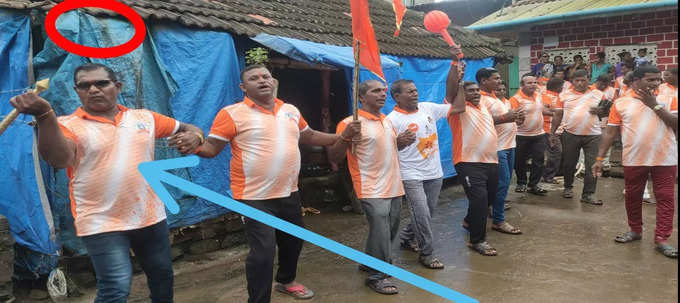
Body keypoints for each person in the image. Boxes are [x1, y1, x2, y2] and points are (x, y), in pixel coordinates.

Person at [9, 63, 206, 302]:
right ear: (76, 90)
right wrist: (44, 115)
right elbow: (59, 160)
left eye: (101, 83)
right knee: (116, 287)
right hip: (101, 220)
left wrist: (195, 136)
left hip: (150, 215)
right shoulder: (67, 125)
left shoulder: (143, 118)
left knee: (162, 275)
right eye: (85, 85)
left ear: (117, 86)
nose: (93, 89)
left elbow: (189, 127)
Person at [197, 64, 354, 302]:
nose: (262, 80)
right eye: (254, 78)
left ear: (274, 82)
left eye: (266, 76)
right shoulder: (231, 113)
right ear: (243, 87)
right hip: (253, 196)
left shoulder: (289, 110)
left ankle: (286, 281)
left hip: (289, 190)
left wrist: (342, 137)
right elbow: (211, 148)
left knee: (293, 241)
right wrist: (195, 146)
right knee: (263, 252)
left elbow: (309, 135)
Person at [328, 78, 417, 295]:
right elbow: (334, 157)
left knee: (390, 230)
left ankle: (369, 261)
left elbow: (387, 148)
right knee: (381, 230)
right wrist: (345, 136)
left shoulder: (386, 120)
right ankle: (377, 276)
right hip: (370, 186)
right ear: (361, 97)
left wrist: (401, 142)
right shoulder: (350, 123)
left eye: (383, 91)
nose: (382, 94)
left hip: (394, 184)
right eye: (376, 91)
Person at [386, 46, 462, 270]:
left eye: (415, 89)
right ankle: (427, 253)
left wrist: (456, 70)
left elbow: (457, 106)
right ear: (396, 96)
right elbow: (386, 149)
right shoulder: (391, 120)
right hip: (411, 175)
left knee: (427, 212)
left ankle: (408, 237)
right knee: (422, 214)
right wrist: (397, 142)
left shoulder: (428, 108)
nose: (415, 93)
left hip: (435, 172)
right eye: (409, 91)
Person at [593, 65, 678, 258]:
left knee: (665, 198)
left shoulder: (669, 97)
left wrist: (653, 104)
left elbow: (676, 124)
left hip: (665, 158)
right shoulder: (621, 103)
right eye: (650, 80)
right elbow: (610, 132)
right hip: (634, 158)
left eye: (658, 79)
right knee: (633, 196)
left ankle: (662, 239)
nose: (656, 83)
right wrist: (599, 158)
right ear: (636, 81)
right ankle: (635, 230)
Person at [448, 81, 500, 256]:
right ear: (462, 94)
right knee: (480, 201)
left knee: (489, 198)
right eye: (470, 91)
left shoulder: (483, 106)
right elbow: (451, 91)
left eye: (477, 90)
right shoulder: (457, 110)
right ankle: (477, 240)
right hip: (468, 162)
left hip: (491, 161)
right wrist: (457, 74)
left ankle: (469, 221)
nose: (476, 93)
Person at [476, 68, 524, 235]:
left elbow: (510, 119)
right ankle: (498, 220)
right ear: (483, 81)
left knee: (503, 184)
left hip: (510, 145)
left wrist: (517, 119)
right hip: (497, 148)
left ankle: (482, 216)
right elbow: (481, 122)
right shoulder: (481, 99)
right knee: (501, 184)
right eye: (495, 78)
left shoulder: (499, 99)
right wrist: (506, 117)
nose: (499, 81)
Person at [551, 70, 608, 205]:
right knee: (569, 163)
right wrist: (552, 133)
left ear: (589, 79)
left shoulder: (599, 94)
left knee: (592, 165)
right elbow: (558, 115)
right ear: (572, 81)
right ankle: (568, 187)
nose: (580, 83)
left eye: (583, 80)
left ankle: (588, 194)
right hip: (570, 134)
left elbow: (607, 111)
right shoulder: (564, 95)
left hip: (593, 135)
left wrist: (601, 111)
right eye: (577, 80)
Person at [509, 74, 550, 195]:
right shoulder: (515, 99)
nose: (533, 85)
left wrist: (556, 112)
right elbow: (512, 117)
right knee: (519, 161)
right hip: (521, 135)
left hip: (539, 135)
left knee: (539, 160)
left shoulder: (538, 96)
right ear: (522, 85)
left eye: (535, 82)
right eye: (529, 83)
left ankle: (534, 185)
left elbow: (541, 110)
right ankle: (521, 183)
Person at [541, 77, 565, 184]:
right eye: (562, 86)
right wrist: (558, 112)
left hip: (560, 129)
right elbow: (542, 110)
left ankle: (552, 174)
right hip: (549, 129)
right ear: (558, 87)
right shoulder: (544, 96)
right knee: (555, 152)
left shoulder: (559, 97)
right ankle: (548, 176)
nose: (563, 88)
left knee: (557, 153)